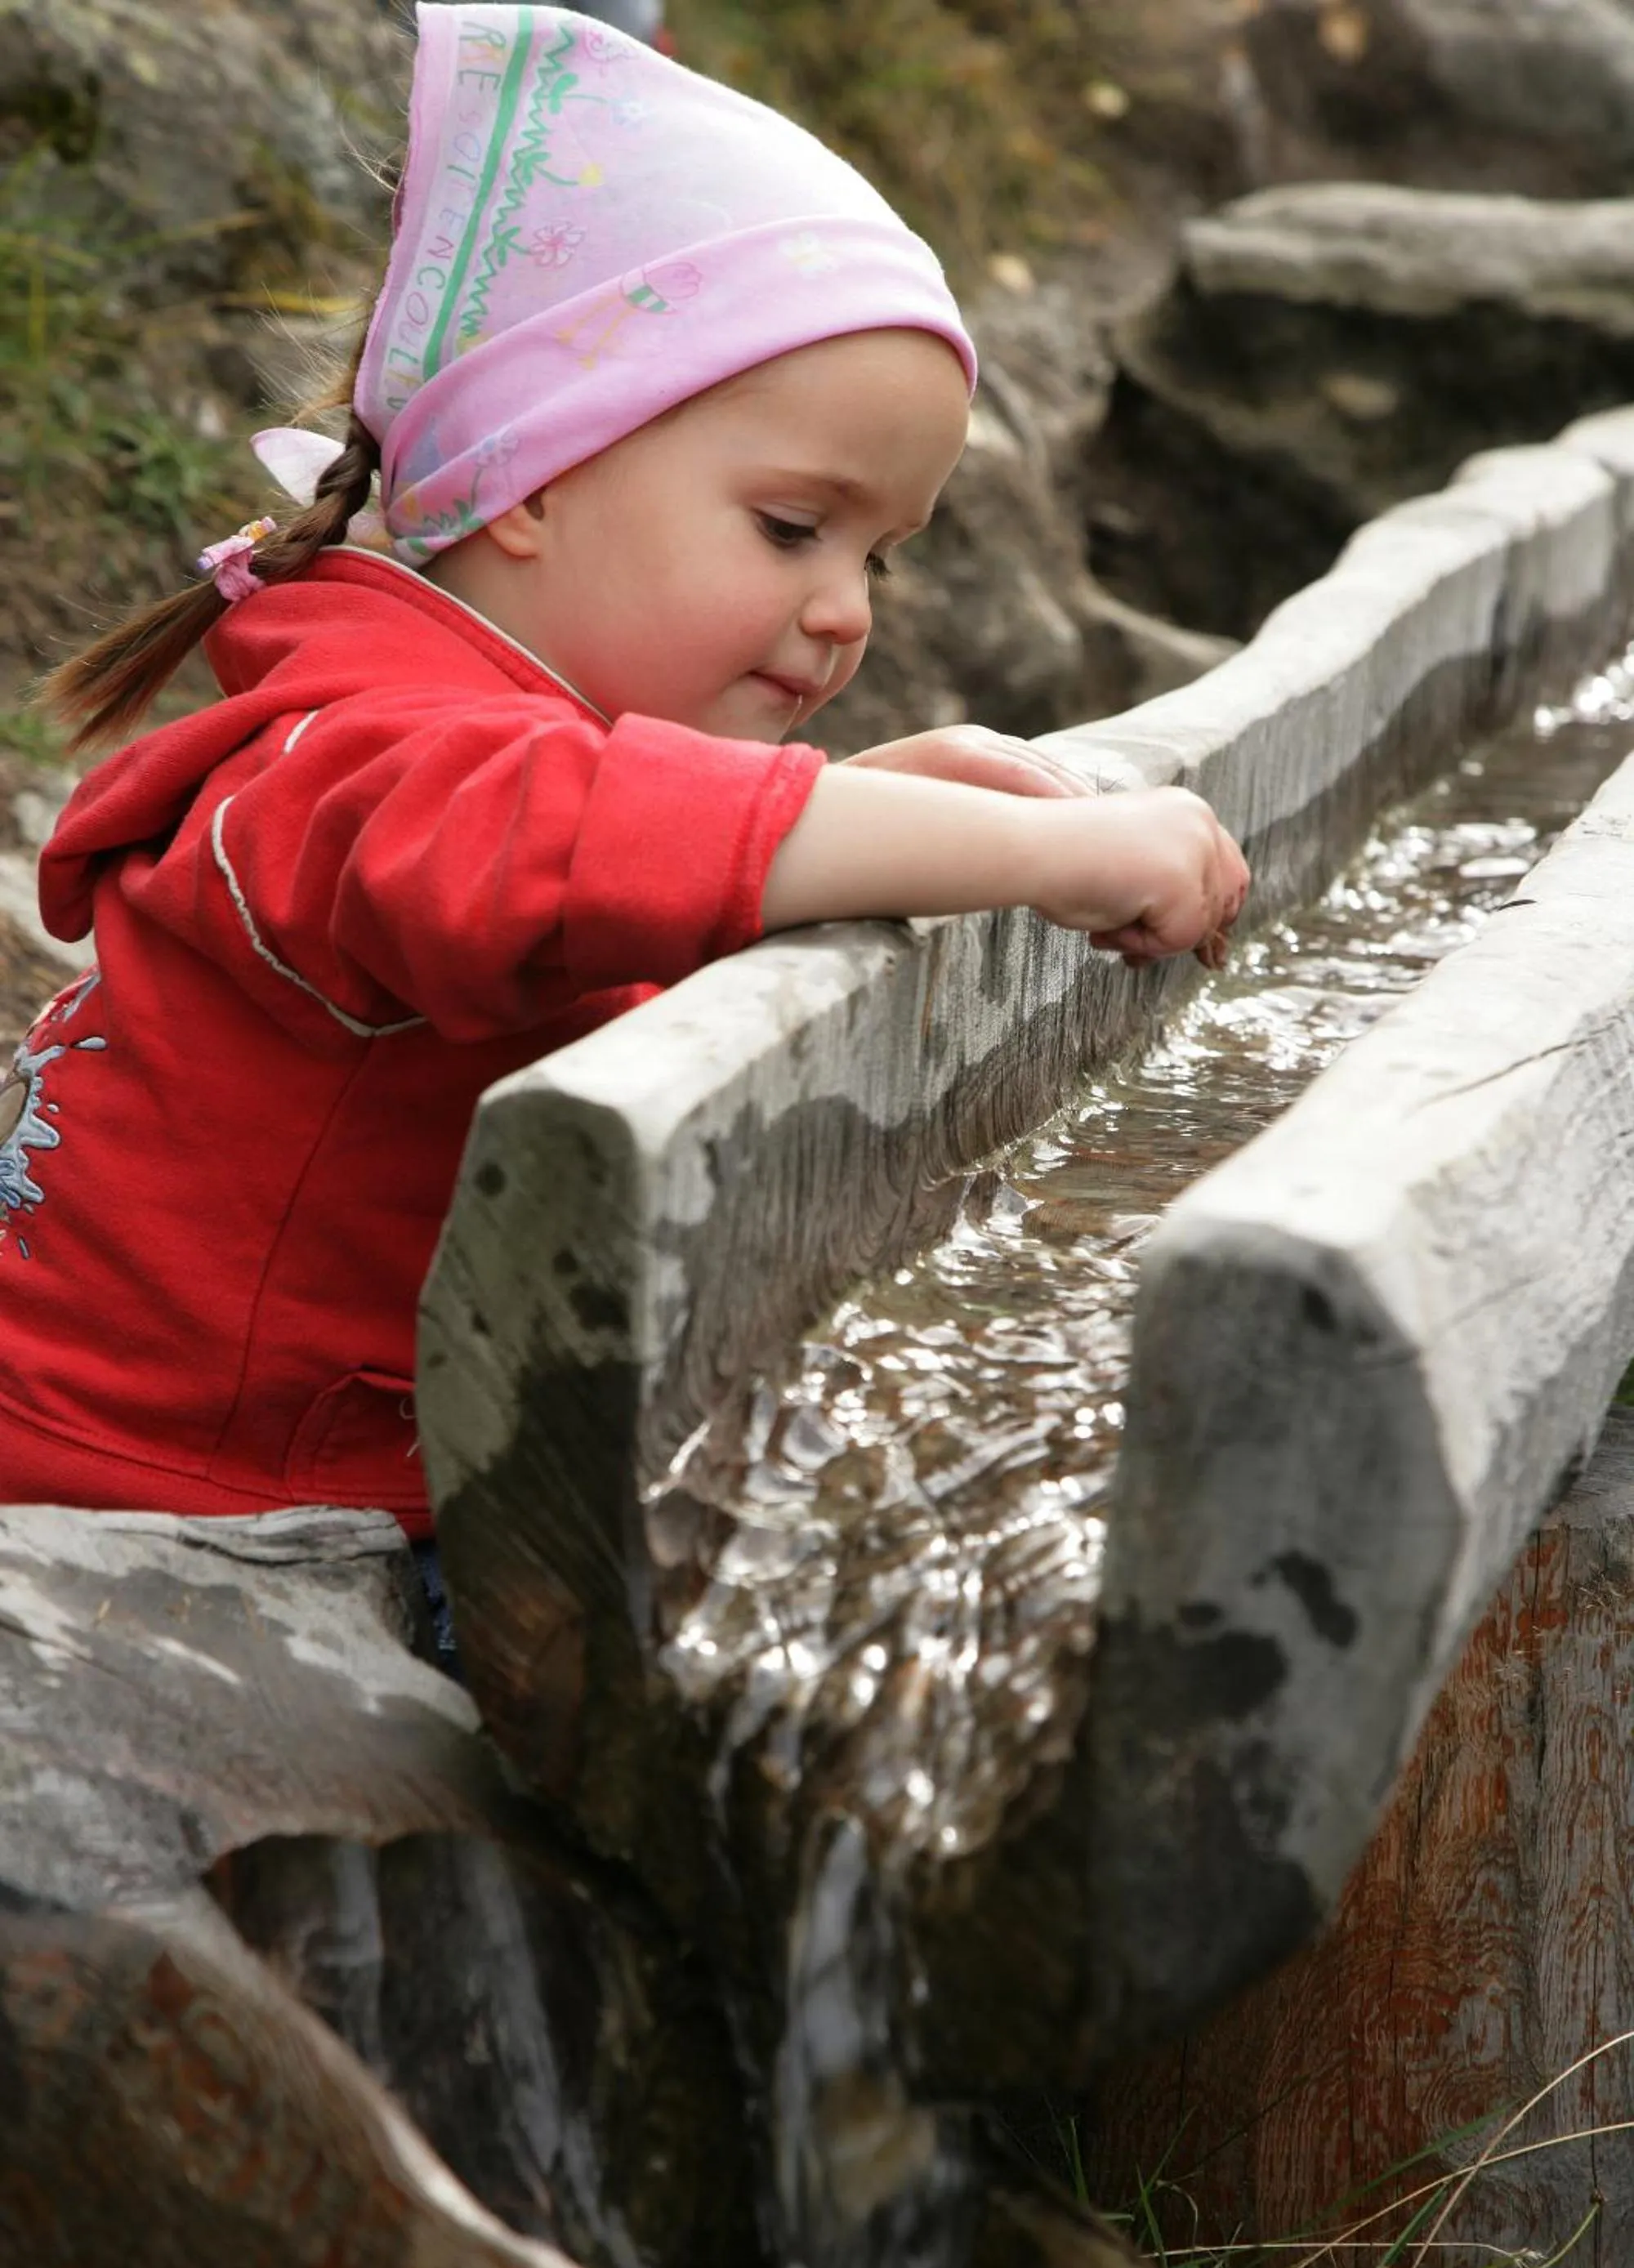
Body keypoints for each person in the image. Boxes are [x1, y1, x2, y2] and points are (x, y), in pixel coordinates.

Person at [0, 5, 1246, 1539]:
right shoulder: (365, 753)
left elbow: (601, 876)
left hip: (291, 1441)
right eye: (794, 528)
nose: (847, 607)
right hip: (167, 1490)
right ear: (536, 478)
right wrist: (1052, 858)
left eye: (881, 556)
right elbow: (557, 842)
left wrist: (902, 795)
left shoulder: (437, 711)